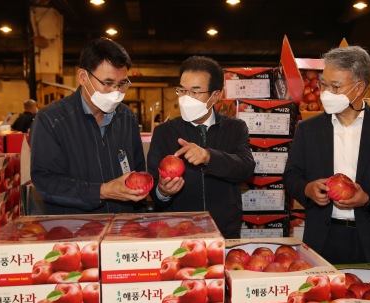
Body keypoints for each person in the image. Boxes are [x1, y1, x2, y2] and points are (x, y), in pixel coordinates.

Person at [283, 46, 370, 264]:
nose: (326, 93)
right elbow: (291, 175)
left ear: (359, 88)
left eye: (335, 87)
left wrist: (369, 199)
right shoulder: (309, 129)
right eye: (323, 85)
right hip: (323, 238)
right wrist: (307, 189)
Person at [30, 37, 148, 215]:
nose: (116, 92)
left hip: (121, 228)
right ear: (83, 77)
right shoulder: (51, 120)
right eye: (108, 83)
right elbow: (47, 183)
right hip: (74, 232)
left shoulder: (126, 117)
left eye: (122, 84)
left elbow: (137, 172)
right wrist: (102, 191)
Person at [147, 56, 255, 238]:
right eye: (182, 90)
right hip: (178, 230)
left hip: (224, 230)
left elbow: (245, 168)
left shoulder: (235, 128)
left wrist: (208, 157)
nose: (186, 98)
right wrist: (162, 191)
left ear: (215, 95)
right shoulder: (164, 132)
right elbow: (153, 183)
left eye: (195, 92)